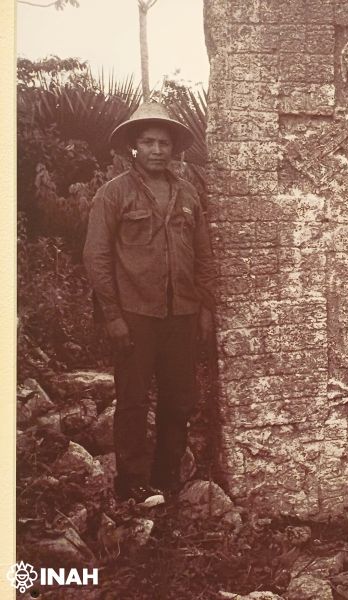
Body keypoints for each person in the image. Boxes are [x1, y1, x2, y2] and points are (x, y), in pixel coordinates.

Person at [83, 102, 216, 502]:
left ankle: (168, 476)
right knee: (133, 400)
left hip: (182, 314)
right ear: (134, 146)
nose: (156, 150)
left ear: (174, 148)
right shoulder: (113, 194)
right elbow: (96, 256)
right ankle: (133, 483)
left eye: (163, 143)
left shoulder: (188, 193)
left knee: (180, 398)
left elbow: (203, 255)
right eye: (147, 142)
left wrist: (204, 309)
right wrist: (113, 316)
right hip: (134, 314)